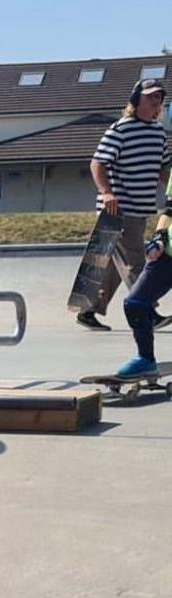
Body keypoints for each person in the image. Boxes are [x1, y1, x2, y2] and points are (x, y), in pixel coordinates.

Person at [78, 78, 171, 331]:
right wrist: (106, 193)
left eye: (159, 97)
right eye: (150, 96)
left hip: (140, 208)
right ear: (136, 100)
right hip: (118, 208)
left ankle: (87, 310)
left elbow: (164, 170)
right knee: (135, 260)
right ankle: (146, 308)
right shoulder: (121, 129)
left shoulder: (158, 132)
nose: (156, 101)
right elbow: (97, 163)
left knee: (112, 265)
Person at [116, 166, 172, 378]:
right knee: (135, 303)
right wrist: (158, 237)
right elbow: (169, 209)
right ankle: (146, 359)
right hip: (167, 254)